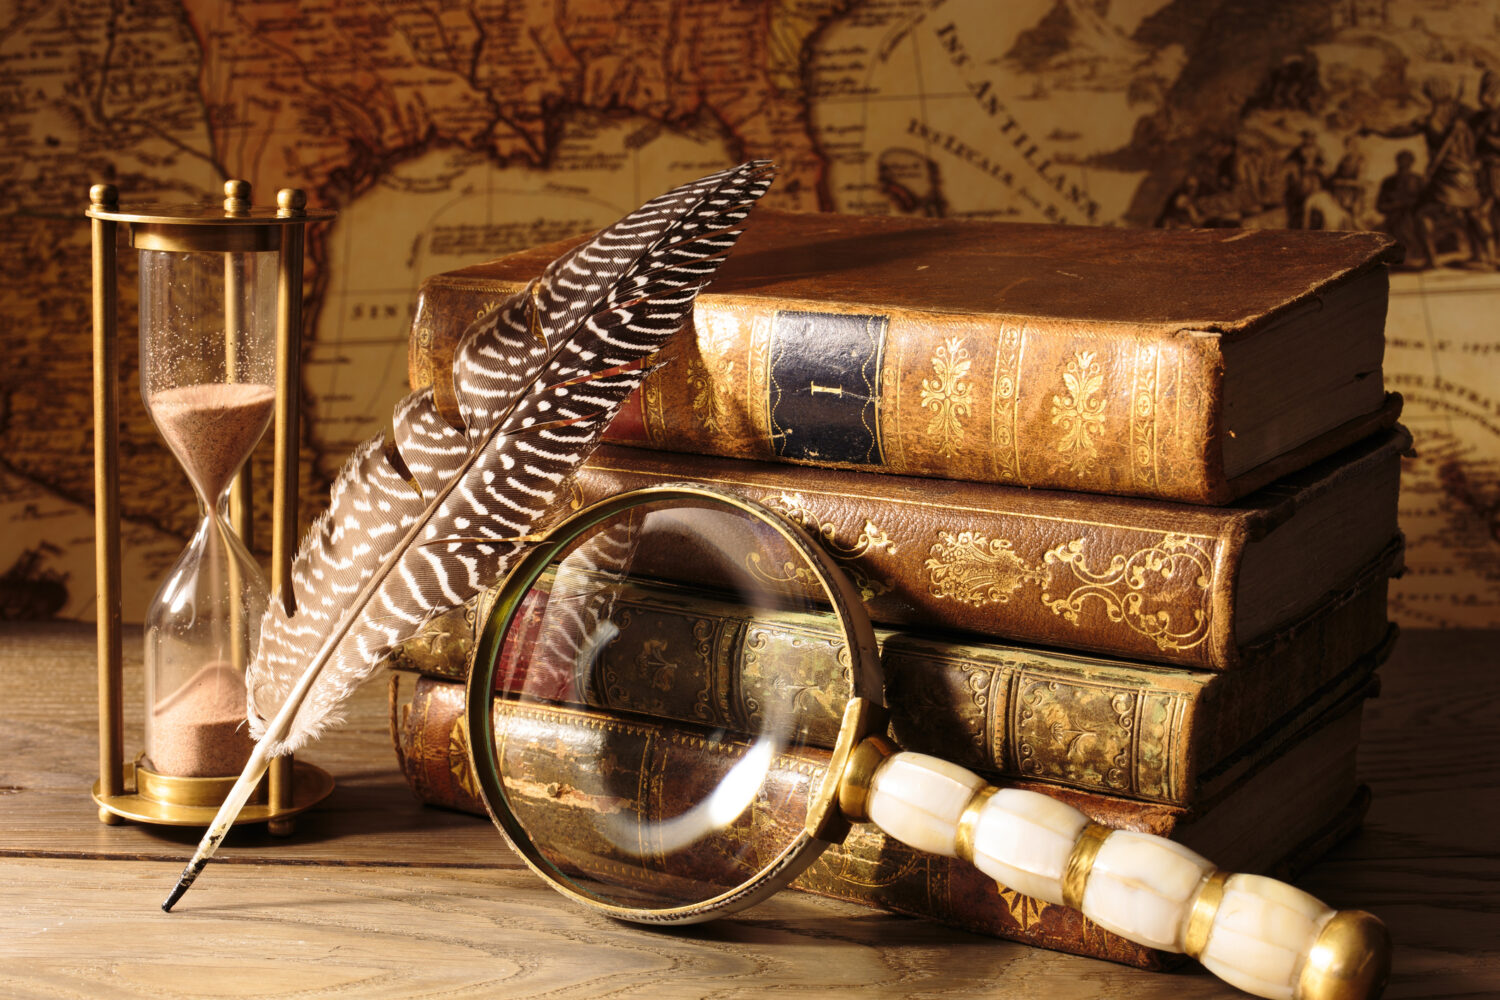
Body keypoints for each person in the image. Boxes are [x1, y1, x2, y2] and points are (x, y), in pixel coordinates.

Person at [1376, 150, 1428, 266]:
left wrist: (1410, 205)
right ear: (1397, 162)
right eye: (1401, 161)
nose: (1404, 165)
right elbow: (1380, 206)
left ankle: (1415, 254)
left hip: (1413, 218)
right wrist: (1397, 205)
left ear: (1412, 163)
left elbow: (1425, 202)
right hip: (1393, 219)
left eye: (1407, 162)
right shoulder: (1388, 182)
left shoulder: (1419, 181)